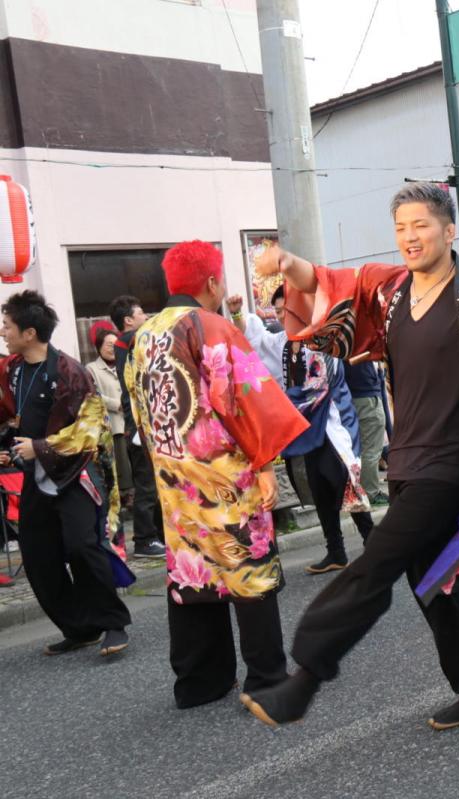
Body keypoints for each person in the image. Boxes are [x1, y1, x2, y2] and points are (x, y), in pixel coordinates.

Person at [240, 183, 459, 731]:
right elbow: (330, 287)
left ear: (449, 232)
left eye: (420, 226)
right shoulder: (391, 292)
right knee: (433, 576)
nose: (410, 237)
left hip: (458, 461)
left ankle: (304, 676)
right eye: (401, 228)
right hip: (407, 457)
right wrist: (287, 261)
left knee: (379, 561)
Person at [125, 240, 307, 709]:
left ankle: (200, 682)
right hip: (225, 476)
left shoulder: (143, 336)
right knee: (247, 567)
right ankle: (265, 677)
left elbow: (141, 412)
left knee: (192, 573)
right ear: (210, 282)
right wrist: (265, 464)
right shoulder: (209, 325)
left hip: (174, 478)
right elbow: (244, 398)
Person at [0, 291, 133, 656]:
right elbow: (9, 413)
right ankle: (80, 626)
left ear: (30, 332)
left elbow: (91, 427)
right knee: (38, 554)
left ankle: (113, 623)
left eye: (8, 325)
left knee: (82, 546)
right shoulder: (11, 369)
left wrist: (39, 447)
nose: (3, 331)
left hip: (74, 473)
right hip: (35, 476)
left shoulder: (68, 370)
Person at [229, 283, 374, 575]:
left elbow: (321, 384)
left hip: (331, 420)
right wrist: (236, 317)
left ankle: (374, 543)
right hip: (305, 425)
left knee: (344, 481)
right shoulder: (283, 340)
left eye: (287, 310)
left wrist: (285, 409)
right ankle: (336, 551)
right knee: (319, 486)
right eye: (279, 311)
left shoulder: (323, 336)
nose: (283, 316)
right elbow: (255, 342)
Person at [109, 295, 166, 558]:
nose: (146, 316)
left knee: (156, 482)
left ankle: (159, 535)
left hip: (144, 421)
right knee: (146, 484)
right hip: (138, 423)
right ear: (128, 320)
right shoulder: (127, 341)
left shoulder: (129, 342)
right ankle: (144, 539)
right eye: (141, 312)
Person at [86, 323, 130, 548]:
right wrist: (119, 404)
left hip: (131, 427)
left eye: (115, 344)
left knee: (136, 481)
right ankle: (115, 538)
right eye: (108, 345)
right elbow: (94, 395)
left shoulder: (126, 363)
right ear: (98, 347)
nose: (112, 348)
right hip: (113, 430)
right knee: (117, 483)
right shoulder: (92, 368)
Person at [345, 359, 388, 505]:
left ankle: (361, 491)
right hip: (366, 392)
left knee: (358, 449)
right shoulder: (360, 340)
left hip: (349, 395)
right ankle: (370, 492)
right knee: (371, 449)